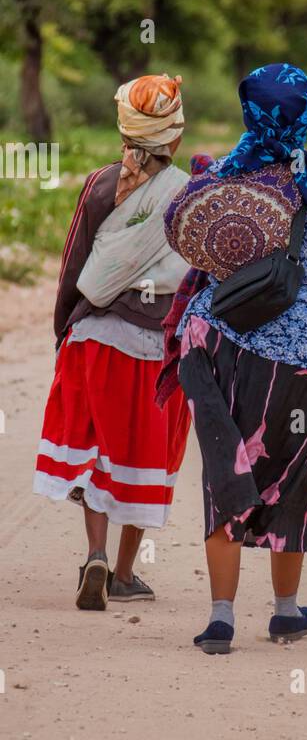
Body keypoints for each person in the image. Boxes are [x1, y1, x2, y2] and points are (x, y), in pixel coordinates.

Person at [161, 62, 307, 655]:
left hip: (217, 345)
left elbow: (192, 245)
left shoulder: (216, 179)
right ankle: (285, 612)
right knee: (294, 477)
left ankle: (221, 619)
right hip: (300, 362)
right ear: (306, 114)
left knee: (226, 473)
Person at [33, 74, 192, 610]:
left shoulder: (102, 184)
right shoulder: (189, 193)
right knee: (141, 454)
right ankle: (124, 572)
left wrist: (64, 331)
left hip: (94, 338)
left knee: (97, 447)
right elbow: (196, 280)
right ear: (173, 138)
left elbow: (73, 263)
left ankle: (95, 553)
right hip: (154, 348)